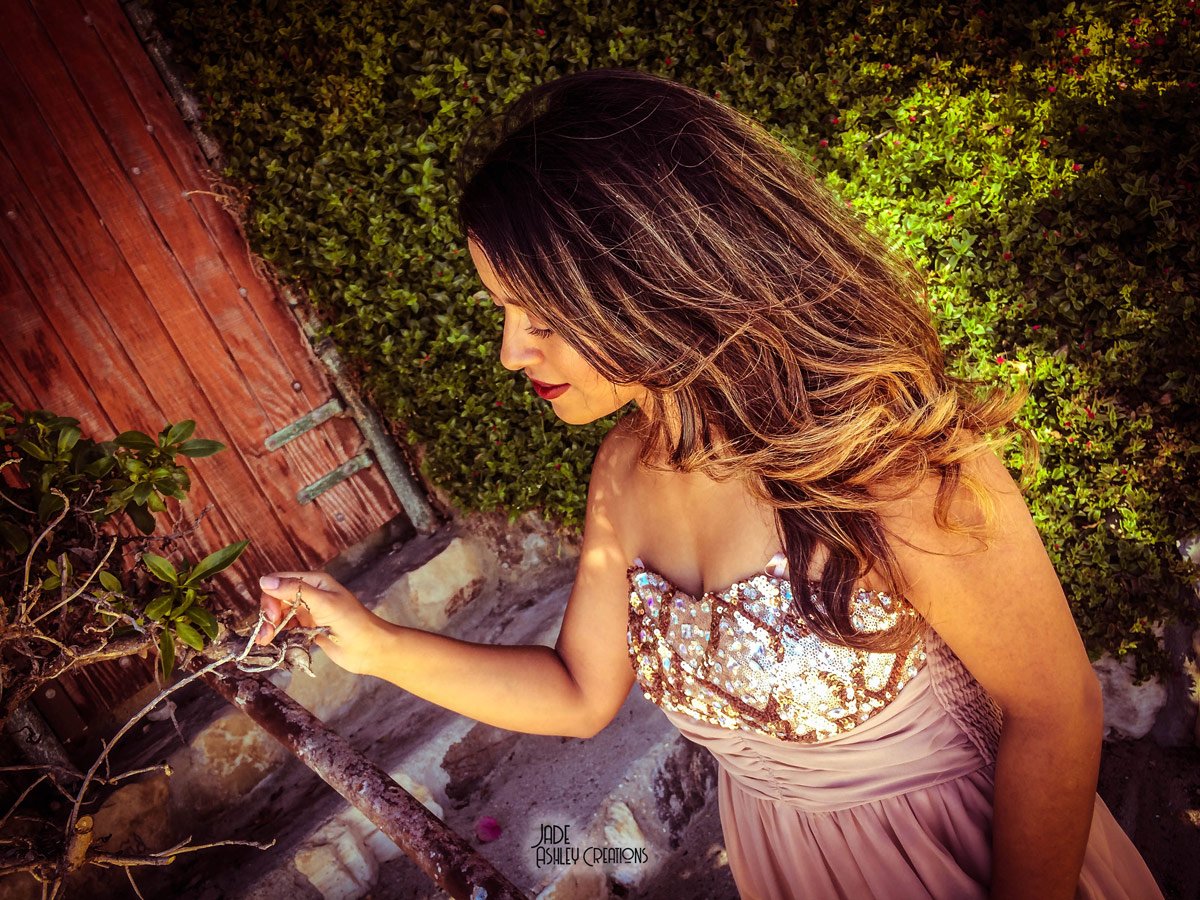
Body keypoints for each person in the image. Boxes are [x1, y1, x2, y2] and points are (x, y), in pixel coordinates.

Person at [254, 68, 1162, 899]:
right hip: (782, 867)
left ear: (649, 278)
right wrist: (373, 644)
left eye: (539, 314)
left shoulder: (885, 454)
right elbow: (578, 691)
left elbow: (1057, 713)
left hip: (962, 858)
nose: (509, 352)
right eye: (503, 311)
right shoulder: (624, 467)